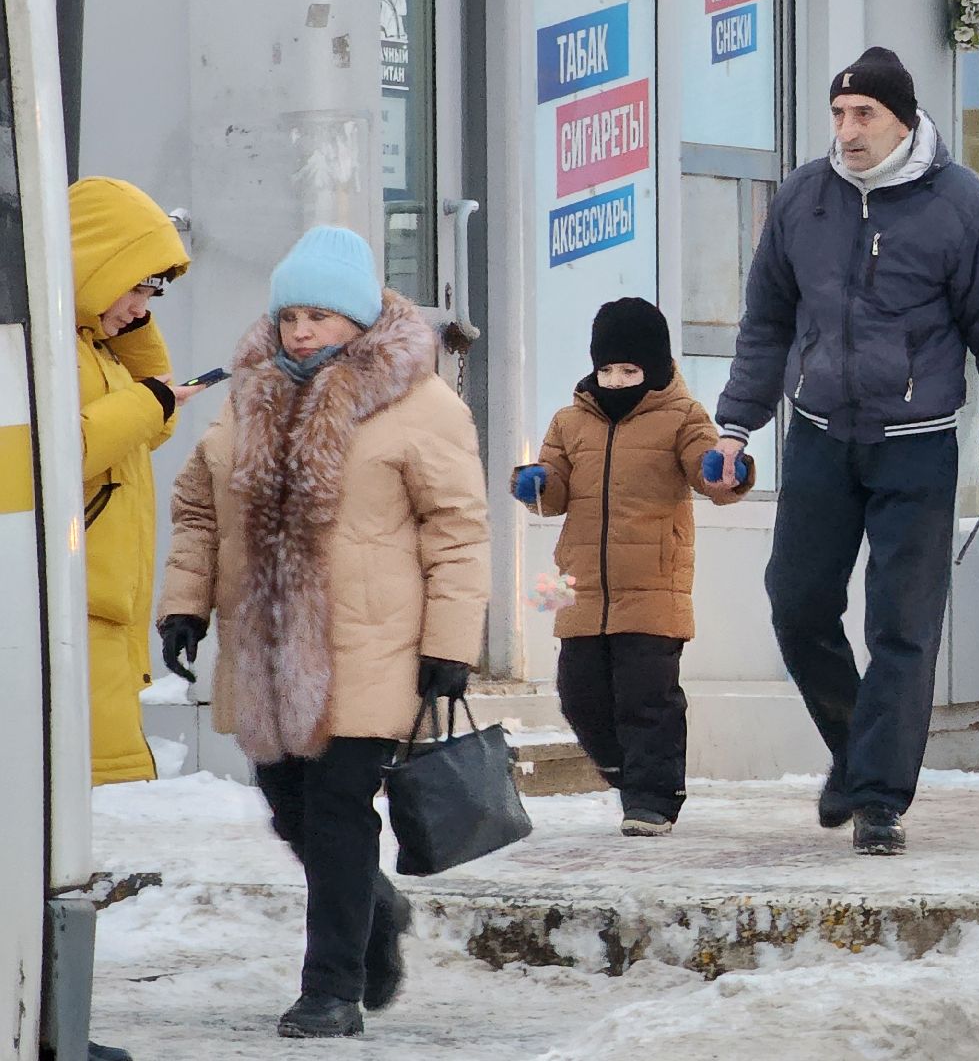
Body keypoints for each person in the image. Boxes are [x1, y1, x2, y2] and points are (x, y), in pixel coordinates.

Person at [156, 226, 489, 1038]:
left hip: (369, 645)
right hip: (269, 649)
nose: (302, 332)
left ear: (361, 318)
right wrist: (185, 605)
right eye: (290, 316)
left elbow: (458, 531)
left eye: (321, 315)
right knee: (288, 806)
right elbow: (200, 508)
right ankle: (376, 908)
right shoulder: (252, 393)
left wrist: (450, 645)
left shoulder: (422, 404)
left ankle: (331, 989)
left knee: (340, 810)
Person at [712, 46, 979, 855]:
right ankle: (860, 756)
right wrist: (736, 424)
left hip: (916, 446)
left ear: (903, 121)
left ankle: (880, 799)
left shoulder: (958, 204)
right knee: (797, 603)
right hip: (820, 435)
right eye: (839, 113)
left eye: (865, 114)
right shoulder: (804, 198)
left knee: (902, 626)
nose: (848, 130)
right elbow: (766, 321)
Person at [509, 296, 753, 837]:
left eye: (629, 370)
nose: (616, 381)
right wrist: (536, 483)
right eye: (607, 370)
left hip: (653, 584)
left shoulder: (682, 417)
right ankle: (624, 772)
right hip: (581, 585)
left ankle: (653, 799)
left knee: (647, 696)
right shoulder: (570, 421)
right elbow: (554, 489)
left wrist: (724, 471)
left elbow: (707, 471)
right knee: (579, 692)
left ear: (656, 367)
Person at [69, 176, 200, 787]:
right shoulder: (46, 350)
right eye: (138, 288)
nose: (142, 307)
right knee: (94, 787)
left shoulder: (92, 346)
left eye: (153, 294)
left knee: (107, 785)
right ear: (96, 267)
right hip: (80, 602)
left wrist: (138, 339)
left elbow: (153, 427)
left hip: (102, 603)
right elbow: (58, 452)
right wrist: (148, 400)